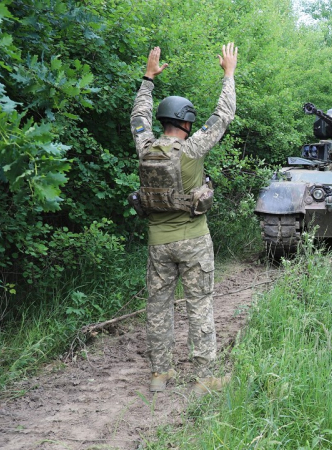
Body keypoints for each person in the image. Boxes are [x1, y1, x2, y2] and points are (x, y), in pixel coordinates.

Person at [130, 43, 237, 394]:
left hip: (157, 245)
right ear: (188, 122)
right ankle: (205, 378)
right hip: (193, 240)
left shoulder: (145, 146)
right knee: (199, 305)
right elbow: (223, 115)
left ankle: (160, 375)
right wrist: (228, 75)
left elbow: (138, 116)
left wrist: (148, 78)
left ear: (163, 121)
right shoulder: (192, 148)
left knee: (158, 308)